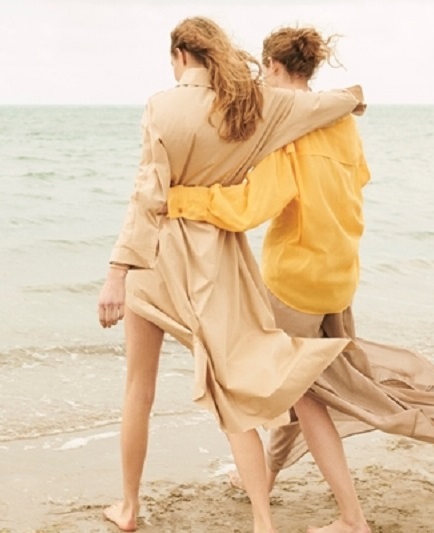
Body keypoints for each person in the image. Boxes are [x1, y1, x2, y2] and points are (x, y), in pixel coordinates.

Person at [166, 26, 434, 533]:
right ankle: (267, 477)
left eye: (265, 73)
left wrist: (178, 199)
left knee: (304, 394)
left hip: (295, 282)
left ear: (274, 67)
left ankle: (352, 517)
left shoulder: (289, 131)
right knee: (297, 386)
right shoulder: (342, 122)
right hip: (339, 276)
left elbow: (250, 207)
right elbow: (360, 178)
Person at [96, 17, 365, 533]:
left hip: (157, 259)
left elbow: (147, 196)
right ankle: (263, 521)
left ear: (180, 56)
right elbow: (331, 104)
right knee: (231, 390)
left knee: (138, 389)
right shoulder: (252, 105)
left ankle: (128, 507)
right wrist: (354, 99)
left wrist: (116, 271)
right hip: (218, 264)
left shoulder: (161, 105)